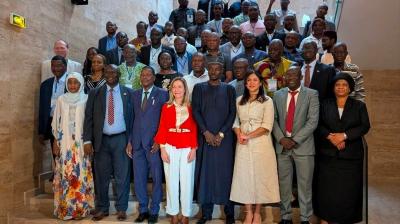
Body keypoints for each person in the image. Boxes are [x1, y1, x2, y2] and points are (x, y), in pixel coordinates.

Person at [315, 72, 370, 224]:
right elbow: (318, 125)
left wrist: (344, 136)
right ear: (333, 88)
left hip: (351, 157)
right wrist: (331, 137)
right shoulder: (325, 104)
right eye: (337, 85)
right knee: (327, 191)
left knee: (349, 192)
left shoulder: (359, 106)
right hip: (328, 155)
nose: (340, 87)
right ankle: (325, 220)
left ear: (350, 88)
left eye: (344, 85)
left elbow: (365, 126)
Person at [83, 64, 134, 221]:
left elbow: (133, 119)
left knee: (122, 176)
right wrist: (87, 140)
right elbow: (89, 118)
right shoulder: (95, 93)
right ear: (103, 74)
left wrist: (131, 140)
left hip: (121, 139)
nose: (110, 74)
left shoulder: (129, 92)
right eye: (107, 72)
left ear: (119, 74)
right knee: (101, 176)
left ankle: (121, 209)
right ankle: (103, 208)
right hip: (101, 140)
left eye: (113, 72)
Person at [230, 71, 280, 224]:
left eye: (255, 80)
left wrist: (248, 136)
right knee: (244, 177)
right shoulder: (239, 100)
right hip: (243, 143)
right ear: (245, 84)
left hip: (261, 144)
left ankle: (258, 212)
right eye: (249, 80)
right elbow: (235, 122)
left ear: (260, 83)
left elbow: (267, 126)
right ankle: (248, 212)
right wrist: (239, 134)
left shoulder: (267, 101)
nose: (252, 83)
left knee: (260, 177)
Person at [272, 66, 319, 224]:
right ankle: (286, 217)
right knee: (284, 184)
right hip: (282, 147)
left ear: (300, 77)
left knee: (304, 185)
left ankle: (305, 218)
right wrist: (281, 139)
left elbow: (312, 121)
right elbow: (273, 119)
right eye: (288, 74)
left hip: (303, 147)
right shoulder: (278, 95)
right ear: (284, 77)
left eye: (294, 74)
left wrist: (295, 140)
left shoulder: (312, 94)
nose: (291, 77)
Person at [192, 61, 237, 224]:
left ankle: (229, 212)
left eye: (217, 69)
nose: (213, 71)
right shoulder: (199, 88)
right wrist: (205, 132)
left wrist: (221, 134)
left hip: (224, 140)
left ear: (222, 71)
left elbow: (233, 113)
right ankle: (206, 212)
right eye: (210, 68)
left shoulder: (229, 89)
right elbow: (195, 110)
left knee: (226, 174)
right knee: (206, 174)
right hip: (205, 138)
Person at [126, 66, 169, 224]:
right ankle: (143, 209)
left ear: (153, 77)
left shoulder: (163, 94)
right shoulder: (134, 94)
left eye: (148, 75)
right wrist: (130, 141)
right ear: (140, 77)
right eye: (143, 75)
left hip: (154, 144)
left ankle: (154, 210)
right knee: (139, 179)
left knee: (157, 179)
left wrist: (160, 140)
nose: (145, 77)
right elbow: (132, 120)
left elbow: (165, 121)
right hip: (137, 143)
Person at [154, 77, 198, 224]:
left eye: (180, 87)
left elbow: (194, 129)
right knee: (171, 180)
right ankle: (173, 212)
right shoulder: (166, 107)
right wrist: (162, 149)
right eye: (174, 87)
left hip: (187, 146)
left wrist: (194, 149)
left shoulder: (191, 106)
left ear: (185, 89)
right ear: (171, 90)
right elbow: (162, 127)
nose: (177, 90)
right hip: (170, 146)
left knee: (187, 181)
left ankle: (185, 213)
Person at [51, 72, 94, 220]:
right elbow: (55, 122)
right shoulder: (61, 99)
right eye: (70, 83)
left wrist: (89, 142)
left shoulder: (86, 98)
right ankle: (66, 210)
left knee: (80, 174)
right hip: (65, 145)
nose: (73, 85)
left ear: (81, 83)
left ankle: (80, 209)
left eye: (76, 82)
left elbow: (89, 122)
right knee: (66, 175)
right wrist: (56, 142)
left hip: (81, 144)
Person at [39, 56, 68, 165]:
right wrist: (41, 131)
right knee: (55, 153)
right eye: (53, 66)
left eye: (59, 65)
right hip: (52, 123)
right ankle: (58, 177)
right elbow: (42, 109)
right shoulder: (45, 84)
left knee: (68, 154)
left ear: (65, 66)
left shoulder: (73, 82)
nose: (56, 68)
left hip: (67, 123)